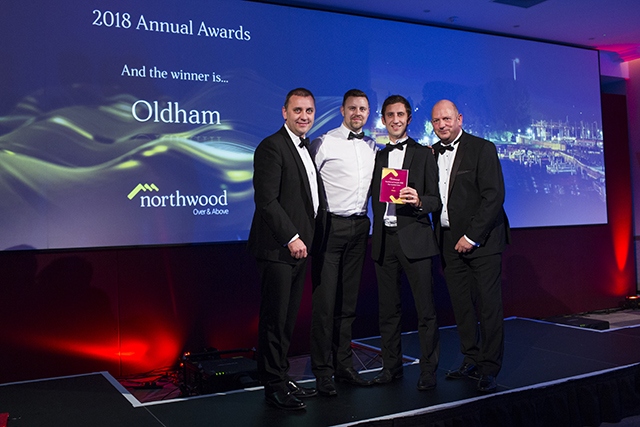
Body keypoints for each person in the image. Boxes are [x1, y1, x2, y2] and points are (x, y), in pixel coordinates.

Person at [248, 88, 326, 410]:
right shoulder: (271, 147)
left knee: (287, 321)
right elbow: (266, 201)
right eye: (297, 111)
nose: (304, 116)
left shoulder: (306, 148)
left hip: (299, 250)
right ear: (284, 112)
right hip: (279, 249)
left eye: (308, 111)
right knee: (274, 321)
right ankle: (273, 386)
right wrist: (292, 237)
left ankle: (281, 377)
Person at [430, 99, 510, 393]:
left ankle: (489, 368)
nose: (442, 125)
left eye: (447, 119)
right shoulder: (431, 153)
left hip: (483, 242)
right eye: (437, 121)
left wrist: (472, 236)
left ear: (459, 119)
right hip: (448, 241)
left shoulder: (482, 148)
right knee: (461, 306)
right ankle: (471, 358)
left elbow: (494, 197)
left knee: (488, 308)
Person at [370, 95, 441, 391]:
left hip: (415, 240)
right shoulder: (379, 156)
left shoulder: (424, 155)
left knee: (425, 310)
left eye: (401, 114)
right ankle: (391, 367)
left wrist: (419, 200)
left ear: (409, 119)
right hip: (385, 241)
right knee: (388, 311)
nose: (395, 119)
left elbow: (436, 199)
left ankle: (428, 371)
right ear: (384, 119)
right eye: (390, 115)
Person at [309, 89, 377, 396]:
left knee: (348, 304)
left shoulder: (373, 146)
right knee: (325, 304)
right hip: (330, 227)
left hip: (361, 227)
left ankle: (344, 366)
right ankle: (322, 371)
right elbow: (306, 185)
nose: (358, 113)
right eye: (353, 108)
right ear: (342, 110)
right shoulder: (323, 143)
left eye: (363, 108)